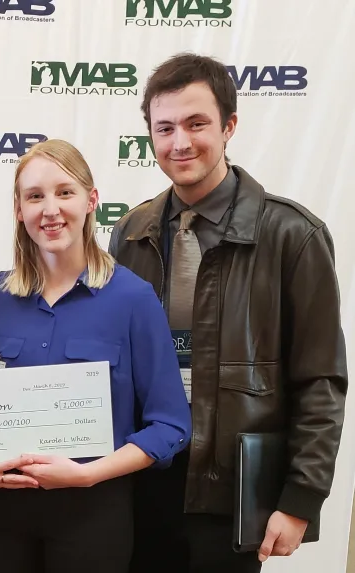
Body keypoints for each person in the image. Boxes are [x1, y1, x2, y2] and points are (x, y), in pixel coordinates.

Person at [108, 53, 348, 573]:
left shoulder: (292, 235)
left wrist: (301, 497)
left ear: (230, 125)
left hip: (230, 492)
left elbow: (321, 379)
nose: (180, 142)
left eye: (197, 124)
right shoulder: (130, 234)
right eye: (164, 127)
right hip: (140, 482)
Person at [0, 139, 192, 573]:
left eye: (64, 192)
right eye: (35, 196)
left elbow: (171, 425)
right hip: (1, 513)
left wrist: (88, 474)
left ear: (91, 201)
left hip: (93, 511)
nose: (50, 209)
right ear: (18, 210)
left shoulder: (132, 299)